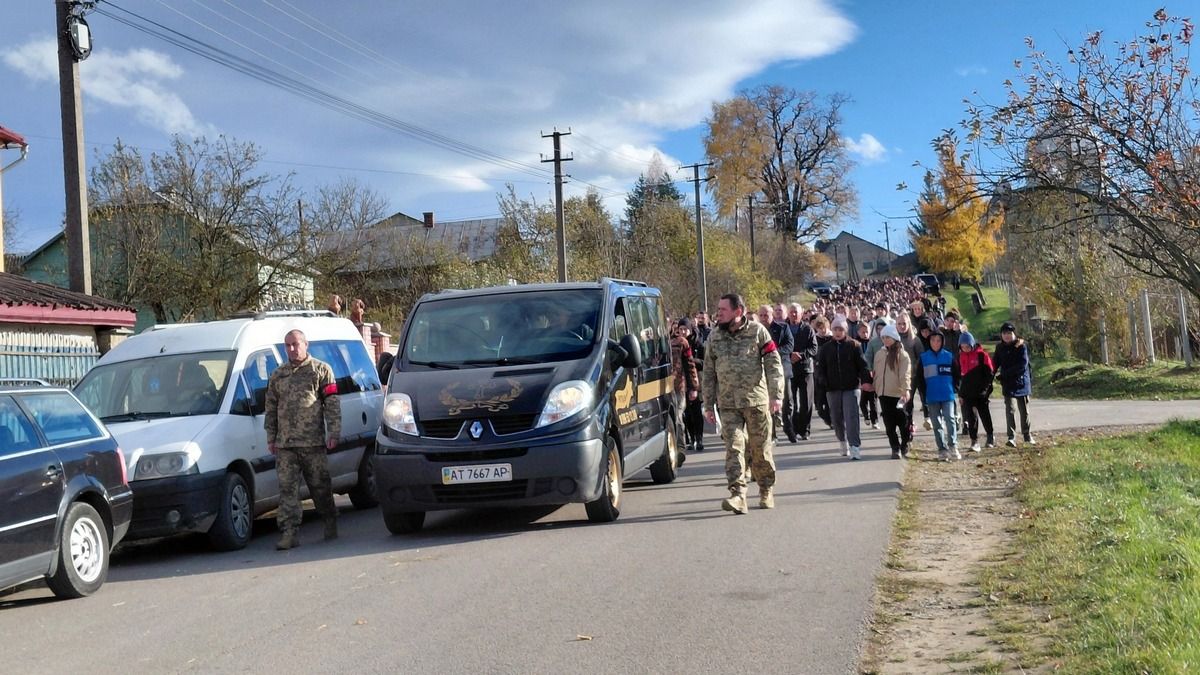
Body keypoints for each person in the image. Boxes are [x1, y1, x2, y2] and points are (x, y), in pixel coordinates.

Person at [702, 294, 784, 514]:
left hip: (756, 402)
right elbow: (708, 372)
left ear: (738, 312)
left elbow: (774, 365)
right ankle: (738, 494)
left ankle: (766, 489)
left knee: (760, 450)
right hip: (728, 404)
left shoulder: (758, 332)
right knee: (734, 448)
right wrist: (708, 405)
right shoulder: (714, 337)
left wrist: (777, 395)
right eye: (718, 309)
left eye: (723, 310)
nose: (718, 313)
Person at [265, 329, 341, 550]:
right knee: (287, 489)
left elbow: (332, 404)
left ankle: (329, 520)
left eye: (295, 344)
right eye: (287, 345)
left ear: (305, 344)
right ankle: (289, 532)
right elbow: (270, 408)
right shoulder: (278, 375)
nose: (291, 349)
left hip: (313, 443)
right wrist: (271, 436)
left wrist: (334, 432)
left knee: (320, 487)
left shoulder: (321, 370)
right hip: (286, 444)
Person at [814, 317, 871, 460]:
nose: (838, 332)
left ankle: (855, 446)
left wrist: (865, 381)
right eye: (835, 329)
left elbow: (863, 366)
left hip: (851, 387)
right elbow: (820, 368)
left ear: (845, 330)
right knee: (837, 418)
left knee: (851, 417)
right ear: (831, 330)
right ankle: (842, 441)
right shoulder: (826, 348)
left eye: (840, 329)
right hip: (832, 389)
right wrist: (823, 381)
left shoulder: (854, 345)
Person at [916, 328, 961, 461]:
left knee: (950, 419)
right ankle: (942, 449)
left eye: (938, 340)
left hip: (947, 395)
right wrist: (924, 394)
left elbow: (957, 374)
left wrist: (954, 388)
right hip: (932, 396)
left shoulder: (949, 356)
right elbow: (920, 379)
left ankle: (953, 445)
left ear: (942, 342)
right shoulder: (924, 358)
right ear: (929, 342)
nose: (936, 343)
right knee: (937, 424)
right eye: (933, 340)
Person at [873, 324, 913, 459]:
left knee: (903, 422)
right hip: (883, 394)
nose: (885, 340)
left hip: (898, 393)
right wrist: (875, 387)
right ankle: (894, 448)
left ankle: (905, 443)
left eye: (887, 337)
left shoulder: (902, 354)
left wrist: (906, 389)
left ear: (894, 337)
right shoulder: (879, 354)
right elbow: (877, 373)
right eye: (883, 337)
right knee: (889, 425)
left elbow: (905, 373)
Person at [994, 322, 1036, 447]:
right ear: (1001, 335)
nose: (1007, 336)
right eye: (1004, 333)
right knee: (1010, 410)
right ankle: (1011, 437)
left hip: (1022, 381)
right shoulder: (1000, 348)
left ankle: (1027, 435)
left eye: (1009, 333)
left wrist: (1005, 374)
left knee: (1024, 410)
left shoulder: (1021, 346)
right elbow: (994, 363)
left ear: (1014, 334)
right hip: (1008, 383)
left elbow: (1022, 365)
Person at [759, 305, 795, 443]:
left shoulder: (782, 328)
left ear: (772, 315)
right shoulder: (756, 331)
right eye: (761, 315)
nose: (763, 318)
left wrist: (773, 353)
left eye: (766, 315)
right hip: (763, 371)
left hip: (781, 368)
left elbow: (790, 345)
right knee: (768, 403)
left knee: (787, 401)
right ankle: (772, 433)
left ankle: (788, 427)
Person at [958, 331, 996, 451]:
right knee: (971, 417)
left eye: (967, 346)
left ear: (972, 344)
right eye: (963, 347)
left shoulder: (981, 356)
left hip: (981, 393)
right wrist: (961, 394)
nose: (965, 349)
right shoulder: (961, 357)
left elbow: (990, 373)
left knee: (985, 415)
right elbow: (961, 377)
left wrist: (985, 389)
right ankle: (974, 441)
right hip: (968, 394)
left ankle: (990, 436)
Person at [670, 318, 699, 463]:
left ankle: (680, 449)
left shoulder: (682, 342)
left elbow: (690, 365)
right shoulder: (655, 341)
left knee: (677, 417)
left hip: (678, 386)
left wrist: (694, 387)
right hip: (660, 387)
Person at [787, 303, 818, 441]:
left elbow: (814, 348)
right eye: (791, 312)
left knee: (806, 402)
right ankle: (794, 428)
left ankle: (805, 429)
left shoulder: (808, 329)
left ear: (801, 314)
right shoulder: (783, 328)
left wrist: (801, 354)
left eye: (796, 312)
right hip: (789, 369)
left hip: (806, 369)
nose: (793, 314)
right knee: (791, 402)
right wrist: (789, 356)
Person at [811, 315, 834, 429]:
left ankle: (832, 420)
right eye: (820, 328)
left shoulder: (832, 338)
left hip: (831, 372)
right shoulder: (814, 339)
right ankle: (824, 416)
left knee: (830, 399)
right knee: (819, 402)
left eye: (824, 328)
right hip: (818, 373)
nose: (822, 330)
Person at [856, 321, 879, 430]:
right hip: (862, 374)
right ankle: (866, 416)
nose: (865, 334)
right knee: (863, 400)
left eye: (867, 332)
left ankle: (875, 420)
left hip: (872, 373)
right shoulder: (856, 344)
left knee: (873, 400)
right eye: (863, 332)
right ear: (858, 332)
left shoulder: (873, 343)